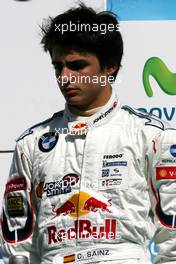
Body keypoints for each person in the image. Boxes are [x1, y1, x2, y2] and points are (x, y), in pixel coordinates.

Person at [1, 3, 176, 264]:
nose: (65, 77)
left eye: (77, 66)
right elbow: (17, 244)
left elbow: (172, 238)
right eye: (58, 67)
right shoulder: (31, 144)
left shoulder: (152, 136)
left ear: (109, 67)